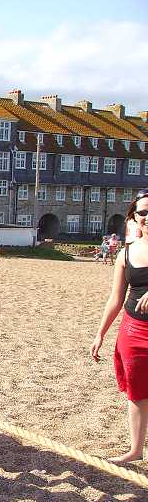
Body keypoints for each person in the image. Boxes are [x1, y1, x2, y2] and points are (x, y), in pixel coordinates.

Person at [90, 189, 148, 463]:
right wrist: (100, 333)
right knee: (137, 393)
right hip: (134, 331)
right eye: (143, 212)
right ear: (134, 218)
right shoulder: (126, 254)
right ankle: (135, 450)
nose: (147, 217)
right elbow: (115, 298)